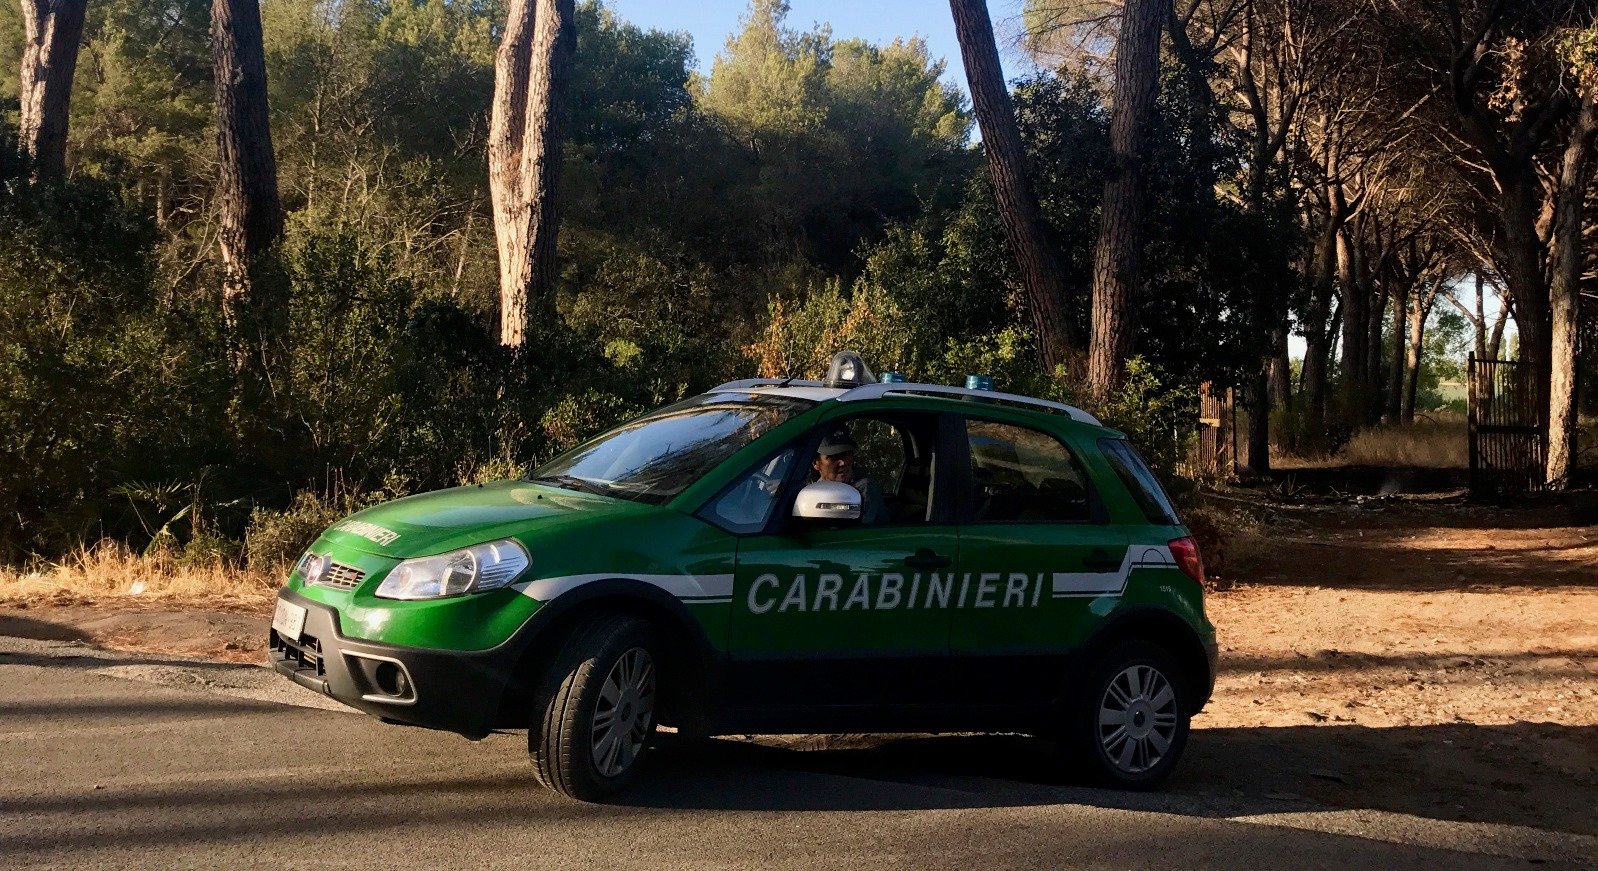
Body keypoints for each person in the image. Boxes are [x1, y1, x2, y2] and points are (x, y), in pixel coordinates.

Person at [812, 428, 889, 525]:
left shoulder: (864, 489)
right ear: (816, 463)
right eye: (833, 457)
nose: (843, 463)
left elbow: (857, 536)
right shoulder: (812, 492)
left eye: (847, 454)